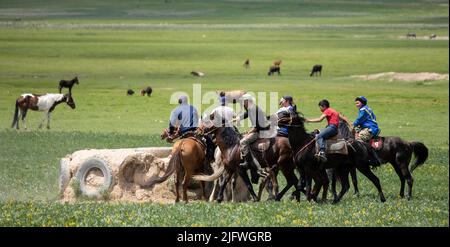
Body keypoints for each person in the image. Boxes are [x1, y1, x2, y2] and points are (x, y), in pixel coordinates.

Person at [234, 93, 269, 178]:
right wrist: (238, 118)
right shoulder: (251, 108)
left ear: (247, 101)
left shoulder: (254, 109)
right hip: (257, 129)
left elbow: (257, 127)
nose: (242, 103)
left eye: (243, 101)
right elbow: (246, 114)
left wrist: (249, 132)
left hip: (260, 132)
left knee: (242, 142)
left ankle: (248, 162)